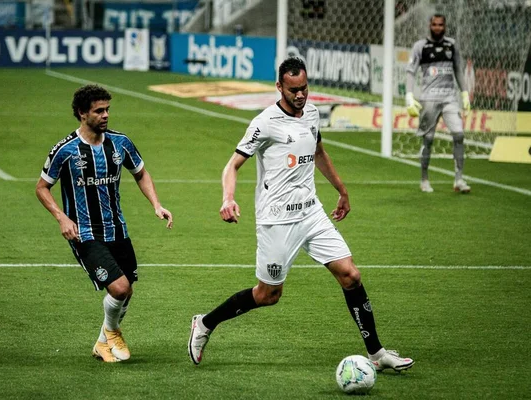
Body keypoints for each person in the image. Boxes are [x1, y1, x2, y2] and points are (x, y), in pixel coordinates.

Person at [187, 57, 414, 372]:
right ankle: (205, 323)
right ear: (279, 86)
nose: (300, 95)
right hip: (277, 218)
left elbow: (319, 152)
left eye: (304, 88)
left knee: (350, 275)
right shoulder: (264, 122)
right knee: (268, 295)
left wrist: (342, 190)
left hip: (312, 213)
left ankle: (376, 354)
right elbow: (233, 164)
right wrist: (228, 198)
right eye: (293, 90)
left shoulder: (312, 113)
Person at [36, 84, 173, 362]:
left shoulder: (120, 143)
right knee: (119, 288)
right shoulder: (65, 150)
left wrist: (156, 205)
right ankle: (113, 333)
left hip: (117, 229)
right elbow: (42, 187)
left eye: (107, 109)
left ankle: (102, 342)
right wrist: (62, 217)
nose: (106, 115)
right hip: (84, 233)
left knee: (128, 291)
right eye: (99, 111)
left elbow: (141, 173)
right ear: (81, 113)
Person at [405, 14, 471, 193]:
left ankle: (459, 179)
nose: (437, 27)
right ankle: (424, 179)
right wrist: (409, 95)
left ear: (445, 26)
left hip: (450, 98)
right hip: (429, 99)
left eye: (440, 25)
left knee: (459, 135)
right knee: (428, 139)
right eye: (434, 24)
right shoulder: (421, 46)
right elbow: (411, 72)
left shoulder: (451, 45)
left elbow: (458, 69)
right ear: (429, 25)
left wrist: (464, 93)